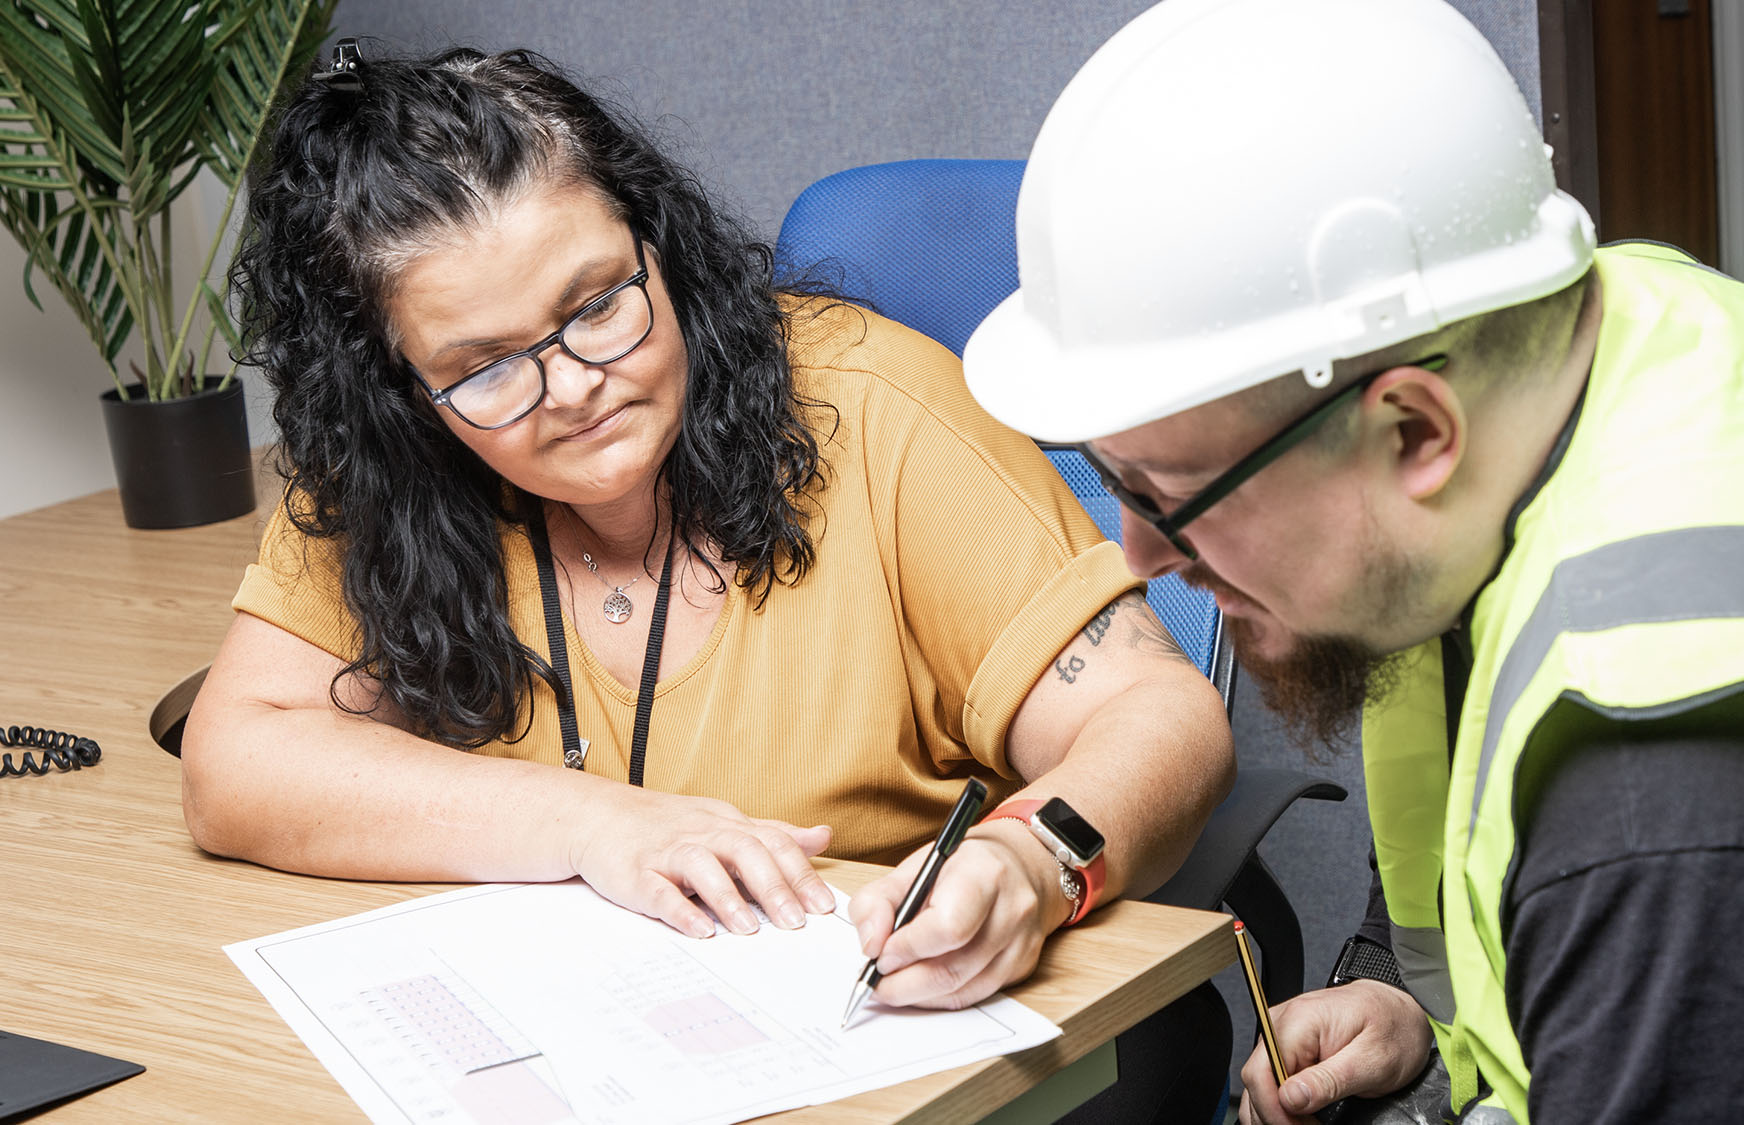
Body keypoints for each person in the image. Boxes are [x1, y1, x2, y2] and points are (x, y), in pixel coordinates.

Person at [961, 1, 1744, 1122]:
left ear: (1413, 432)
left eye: (1168, 498)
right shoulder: (1588, 343)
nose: (1143, 555)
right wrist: (1445, 1038)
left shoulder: (1684, 784)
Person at [179, 42, 1235, 1094]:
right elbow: (236, 763)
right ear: (401, 391)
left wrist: (1027, 863)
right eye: (487, 367)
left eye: (596, 306)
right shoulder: (389, 474)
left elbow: (1159, 717)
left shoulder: (872, 407)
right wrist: (587, 824)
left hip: (894, 1055)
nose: (573, 385)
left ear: (658, 246)